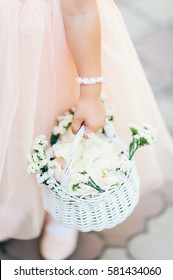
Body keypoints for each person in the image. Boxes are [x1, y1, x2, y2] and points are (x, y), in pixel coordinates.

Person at [0, 0, 173, 260]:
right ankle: (20, 201)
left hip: (60, 44)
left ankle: (64, 209)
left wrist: (90, 94)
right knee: (15, 125)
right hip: (10, 41)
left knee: (59, 124)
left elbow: (80, 10)